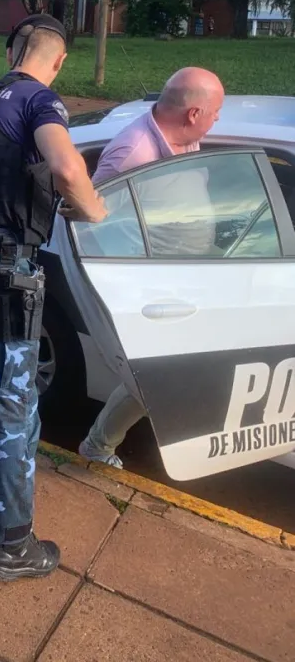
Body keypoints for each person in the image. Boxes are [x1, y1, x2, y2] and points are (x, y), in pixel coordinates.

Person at [0, 14, 107, 582]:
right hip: (1, 269)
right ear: (59, 61)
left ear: (11, 51)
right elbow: (66, 167)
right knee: (11, 405)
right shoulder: (39, 100)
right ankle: (12, 545)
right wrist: (94, 209)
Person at [79, 66, 225, 468]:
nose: (217, 120)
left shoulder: (186, 138)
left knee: (178, 370)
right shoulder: (133, 152)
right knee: (155, 375)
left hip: (193, 272)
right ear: (194, 114)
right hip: (156, 285)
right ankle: (97, 446)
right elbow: (92, 222)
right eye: (215, 113)